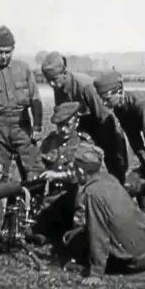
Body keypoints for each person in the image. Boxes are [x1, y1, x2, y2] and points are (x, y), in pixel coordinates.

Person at [64, 142, 145, 286]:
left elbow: (97, 233)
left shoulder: (92, 193)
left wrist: (96, 273)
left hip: (133, 262)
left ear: (82, 171)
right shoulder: (109, 178)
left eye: (76, 169)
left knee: (73, 241)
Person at [41, 52, 128, 185]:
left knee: (116, 171)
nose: (51, 84)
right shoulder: (58, 87)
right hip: (84, 131)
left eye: (54, 79)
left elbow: (105, 116)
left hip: (105, 128)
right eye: (48, 81)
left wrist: (110, 146)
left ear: (64, 73)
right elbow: (63, 116)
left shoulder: (85, 86)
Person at [0, 25, 43, 183]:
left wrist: (37, 126)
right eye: (0, 52)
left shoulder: (24, 69)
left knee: (33, 171)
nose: (4, 56)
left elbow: (35, 99)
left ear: (13, 49)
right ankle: (0, 206)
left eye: (7, 52)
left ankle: (33, 205)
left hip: (23, 125)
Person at [29, 102, 99, 245]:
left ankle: (77, 235)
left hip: (76, 198)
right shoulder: (50, 142)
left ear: (77, 121)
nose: (63, 130)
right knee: (35, 230)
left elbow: (87, 176)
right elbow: (38, 167)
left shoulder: (85, 144)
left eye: (67, 125)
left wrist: (58, 175)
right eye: (60, 125)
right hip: (55, 197)